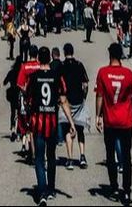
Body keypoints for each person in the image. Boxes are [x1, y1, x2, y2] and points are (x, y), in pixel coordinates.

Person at [26, 46, 76, 205]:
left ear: (39, 59)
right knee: (51, 156)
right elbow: (63, 100)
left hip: (38, 122)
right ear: (50, 59)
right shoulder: (56, 76)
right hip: (52, 122)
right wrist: (71, 122)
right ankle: (51, 188)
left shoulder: (33, 77)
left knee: (39, 159)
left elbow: (28, 99)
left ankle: (41, 192)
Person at [95, 42, 132, 206]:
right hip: (125, 120)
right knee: (126, 157)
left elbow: (99, 95)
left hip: (110, 120)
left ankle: (114, 186)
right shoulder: (128, 74)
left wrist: (98, 116)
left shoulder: (103, 72)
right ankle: (126, 191)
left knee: (110, 155)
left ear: (110, 54)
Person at [57, 43, 90, 170]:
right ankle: (82, 156)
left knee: (67, 130)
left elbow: (59, 83)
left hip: (67, 101)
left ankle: (70, 159)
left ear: (65, 52)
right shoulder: (79, 65)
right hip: (78, 100)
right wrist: (84, 97)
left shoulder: (62, 66)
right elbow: (85, 83)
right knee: (80, 129)